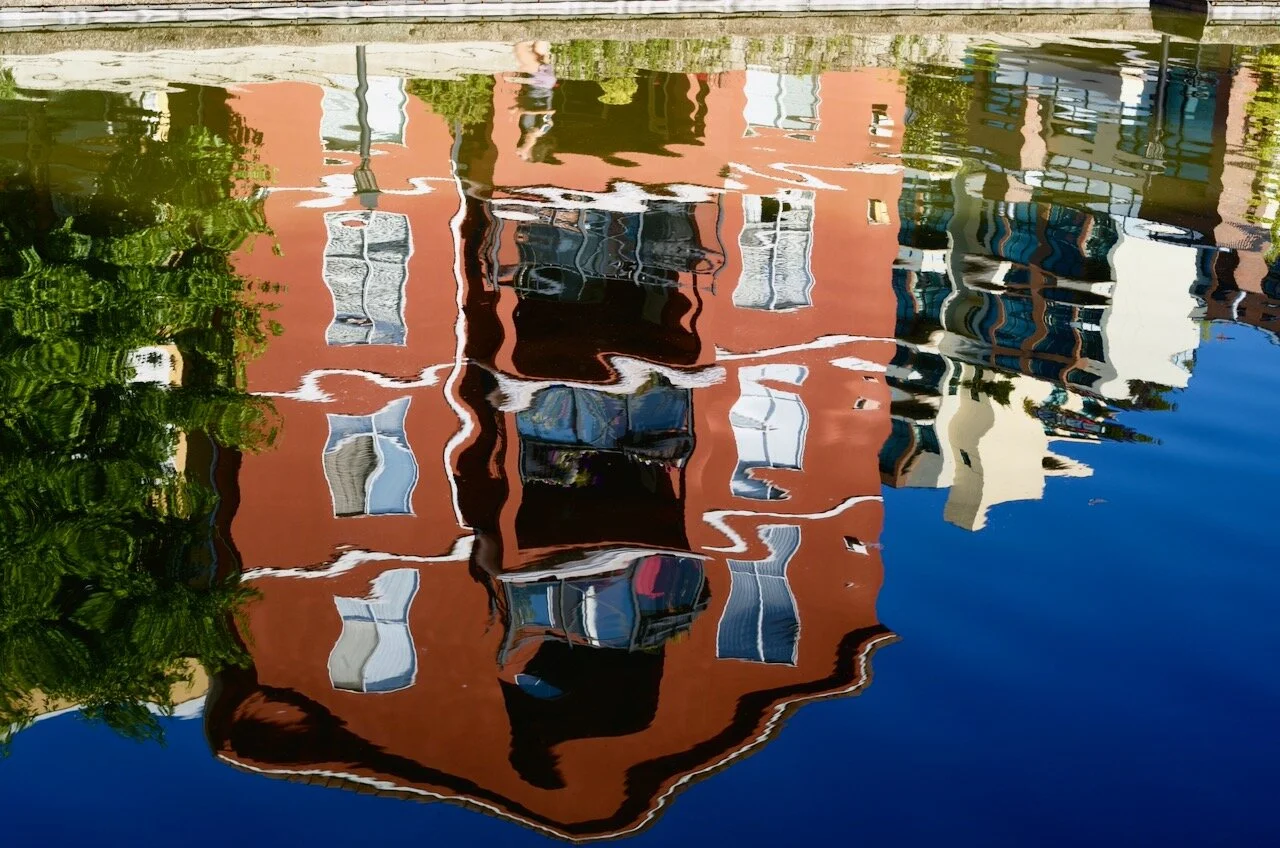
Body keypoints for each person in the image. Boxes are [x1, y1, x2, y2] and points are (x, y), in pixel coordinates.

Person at [508, 40, 557, 162]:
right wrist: (522, 111)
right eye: (521, 155)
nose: (516, 152)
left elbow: (531, 103)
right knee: (519, 48)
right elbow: (551, 111)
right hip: (543, 83)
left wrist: (518, 106)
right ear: (531, 153)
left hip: (538, 83)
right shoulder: (542, 129)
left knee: (537, 48)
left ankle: (542, 27)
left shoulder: (527, 128)